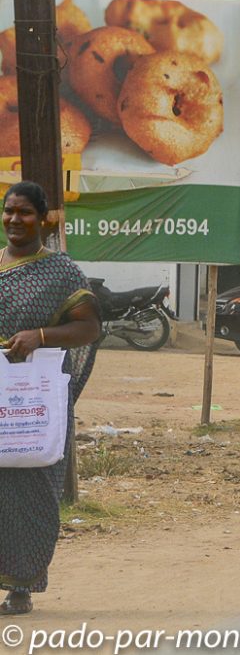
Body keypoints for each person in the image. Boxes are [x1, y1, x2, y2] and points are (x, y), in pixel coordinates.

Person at [0, 182, 102, 617]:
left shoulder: (61, 272)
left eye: (24, 212)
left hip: (32, 404)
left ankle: (21, 586)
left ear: (44, 219)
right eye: (8, 211)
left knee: (30, 490)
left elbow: (90, 327)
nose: (13, 220)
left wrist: (39, 336)